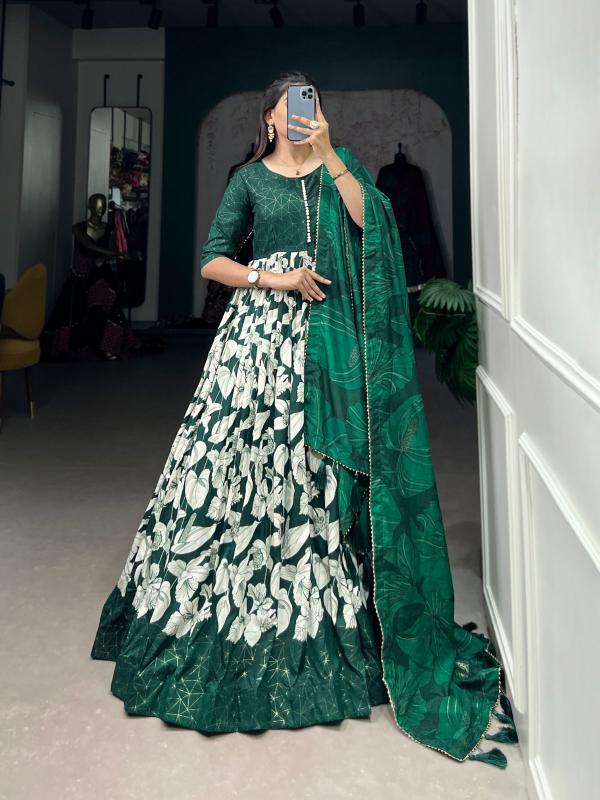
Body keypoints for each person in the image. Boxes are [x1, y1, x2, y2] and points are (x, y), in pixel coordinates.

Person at [90, 71, 518, 769]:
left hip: (328, 342)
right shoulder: (249, 181)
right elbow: (213, 260)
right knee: (233, 463)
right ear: (268, 118)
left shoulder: (335, 168)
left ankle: (320, 600)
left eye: (311, 106)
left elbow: (372, 224)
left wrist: (330, 153)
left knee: (317, 469)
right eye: (290, 108)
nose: (300, 116)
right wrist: (275, 277)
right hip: (259, 340)